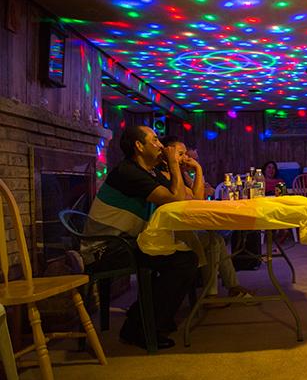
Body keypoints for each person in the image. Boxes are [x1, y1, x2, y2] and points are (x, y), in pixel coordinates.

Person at [82, 126, 198, 349]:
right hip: (105, 249)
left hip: (124, 242)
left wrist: (179, 168)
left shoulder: (149, 172)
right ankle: (139, 328)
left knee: (184, 256)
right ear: (139, 146)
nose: (161, 146)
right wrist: (173, 163)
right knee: (182, 261)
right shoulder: (128, 172)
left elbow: (182, 198)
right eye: (155, 140)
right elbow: (175, 200)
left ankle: (146, 320)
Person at [159, 136, 254, 301]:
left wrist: (198, 169)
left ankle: (231, 286)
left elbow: (196, 200)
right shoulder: (165, 175)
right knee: (213, 239)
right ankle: (212, 295)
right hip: (170, 231)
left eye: (186, 155)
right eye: (181, 154)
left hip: (185, 225)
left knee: (216, 237)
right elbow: (193, 201)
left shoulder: (178, 174)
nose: (185, 159)